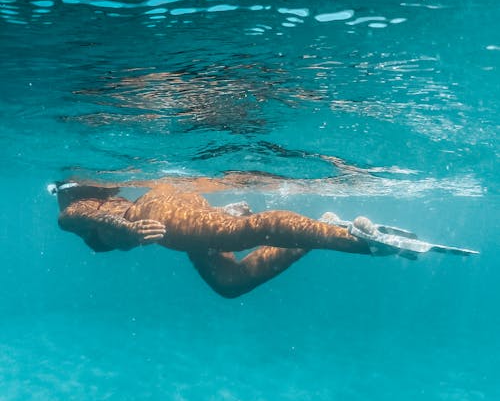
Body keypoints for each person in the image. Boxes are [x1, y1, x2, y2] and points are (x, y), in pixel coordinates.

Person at [49, 178, 373, 298]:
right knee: (229, 282)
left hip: (157, 211)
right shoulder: (91, 205)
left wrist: (125, 230)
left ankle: (353, 240)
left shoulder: (79, 209)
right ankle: (320, 228)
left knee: (238, 233)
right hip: (165, 207)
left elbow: (71, 218)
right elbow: (84, 217)